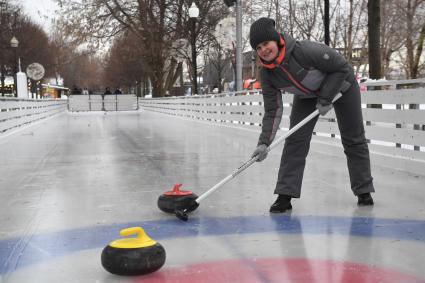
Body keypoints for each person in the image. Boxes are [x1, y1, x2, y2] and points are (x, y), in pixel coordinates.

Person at [249, 18, 375, 213]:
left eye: (266, 43)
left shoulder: (303, 51)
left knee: (353, 137)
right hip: (307, 95)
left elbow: (340, 66)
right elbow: (272, 111)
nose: (263, 50)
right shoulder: (267, 75)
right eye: (258, 47)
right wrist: (264, 142)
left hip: (343, 85)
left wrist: (326, 98)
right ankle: (284, 195)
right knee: (295, 140)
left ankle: (364, 191)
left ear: (276, 40)